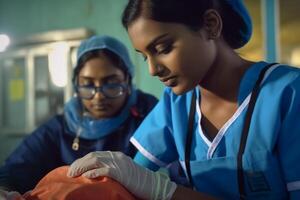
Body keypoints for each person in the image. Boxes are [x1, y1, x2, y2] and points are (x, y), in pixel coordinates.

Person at [67, 0, 300, 199]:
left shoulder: (289, 93)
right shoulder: (176, 104)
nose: (152, 69)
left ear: (211, 25)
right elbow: (128, 178)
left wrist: (165, 192)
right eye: (144, 56)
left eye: (163, 48)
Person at [0, 35, 158, 198]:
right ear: (76, 84)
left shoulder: (149, 116)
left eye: (111, 83)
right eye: (88, 84)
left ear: (128, 81)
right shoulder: (62, 128)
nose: (98, 97)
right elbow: (16, 168)